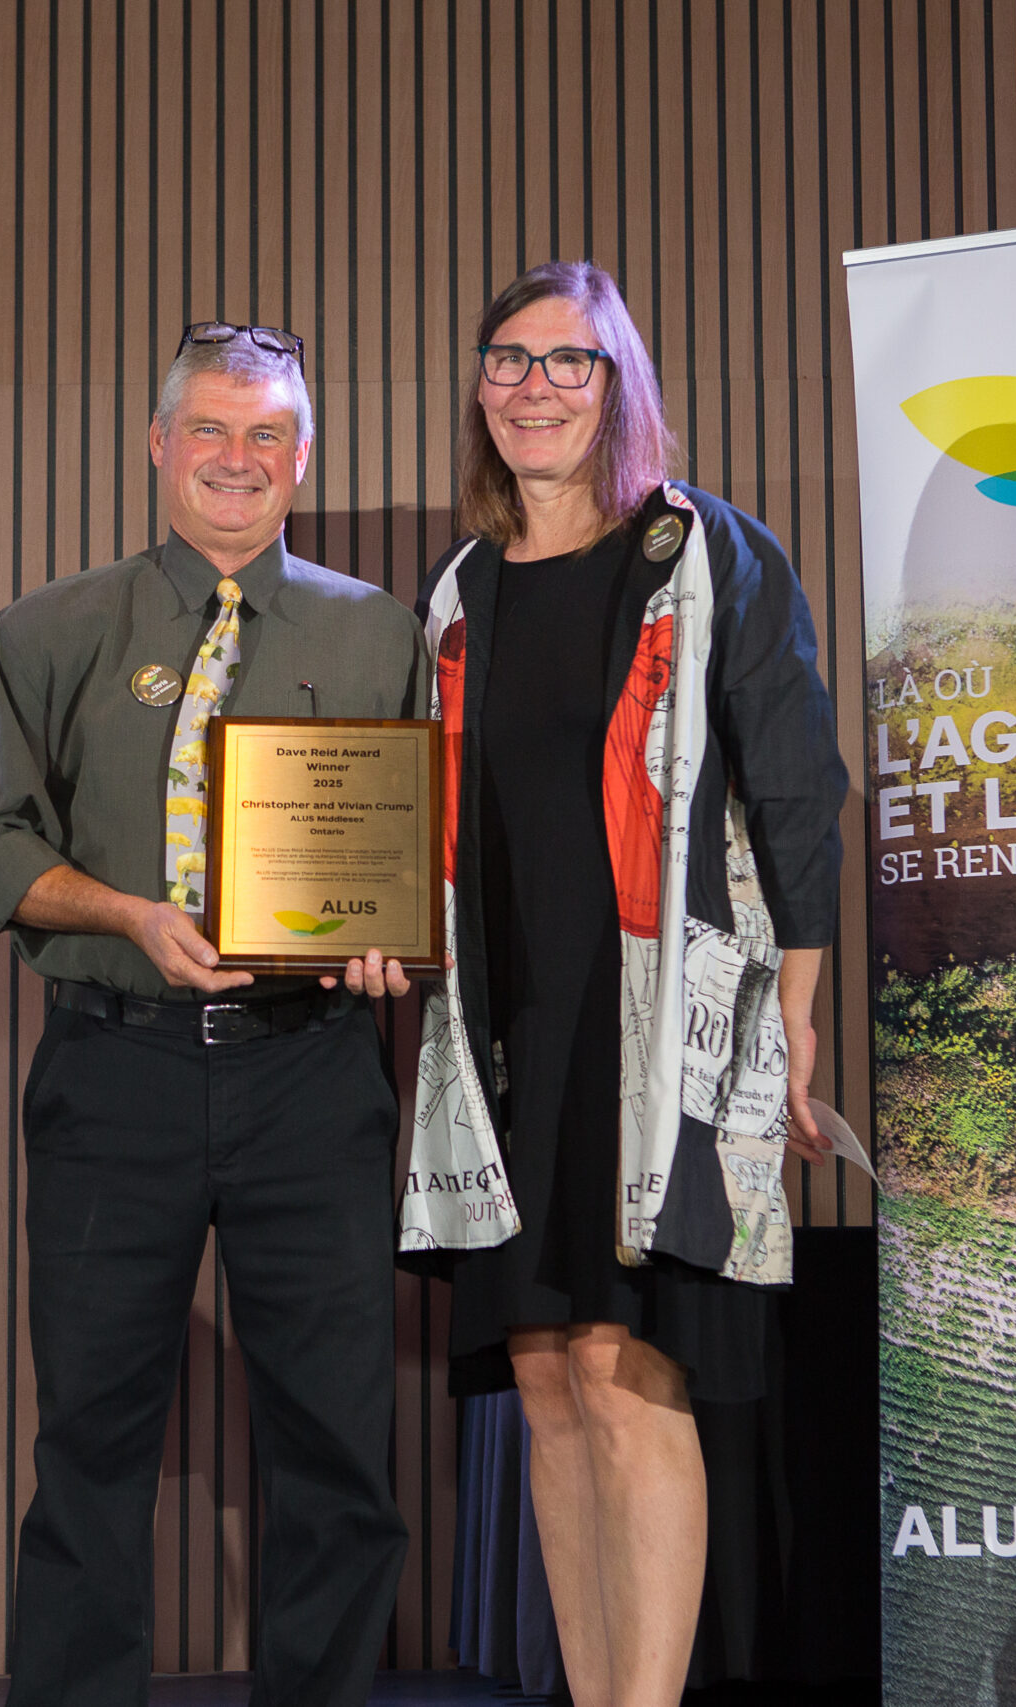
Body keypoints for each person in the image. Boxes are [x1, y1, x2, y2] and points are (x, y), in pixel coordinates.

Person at [0, 323, 428, 1707]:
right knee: (92, 1444)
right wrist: (132, 918)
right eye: (210, 431)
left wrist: (390, 951)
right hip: (117, 1079)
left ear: (304, 456)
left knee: (337, 1443)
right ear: (159, 444)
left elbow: (420, 858)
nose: (236, 461)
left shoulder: (377, 631)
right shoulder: (45, 633)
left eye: (267, 435)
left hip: (314, 1079)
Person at [399, 262, 850, 1707]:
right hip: (509, 1027)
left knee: (630, 1370)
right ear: (479, 388)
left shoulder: (706, 551)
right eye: (507, 360)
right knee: (546, 1380)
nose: (534, 387)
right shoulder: (458, 591)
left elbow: (797, 789)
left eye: (568, 362)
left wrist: (797, 1011)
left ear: (621, 386)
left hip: (661, 1024)